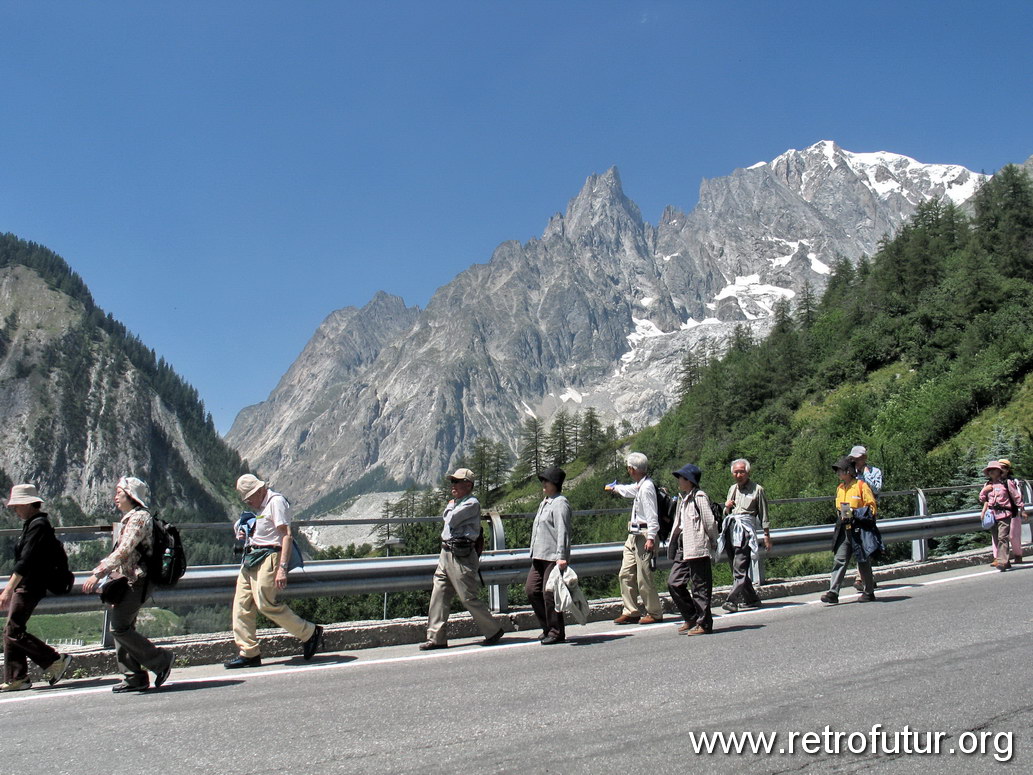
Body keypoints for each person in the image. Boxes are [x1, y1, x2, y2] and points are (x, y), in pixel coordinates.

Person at [82, 477, 175, 692]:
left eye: (119, 493)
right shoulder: (130, 518)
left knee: (119, 626)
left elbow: (124, 550)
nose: (115, 497)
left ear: (131, 496)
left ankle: (161, 660)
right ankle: (133, 677)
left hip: (138, 580)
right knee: (122, 626)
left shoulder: (139, 518)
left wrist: (99, 572)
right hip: (128, 579)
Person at [225, 474, 322, 668]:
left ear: (259, 491)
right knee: (241, 605)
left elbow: (286, 536)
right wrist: (246, 530)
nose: (248, 502)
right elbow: (263, 527)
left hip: (270, 556)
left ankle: (309, 632)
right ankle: (249, 652)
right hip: (252, 556)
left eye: (249, 498)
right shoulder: (261, 506)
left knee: (265, 603)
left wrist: (282, 569)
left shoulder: (276, 502)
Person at [420, 468, 505, 650]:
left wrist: (450, 506)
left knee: (467, 597)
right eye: (452, 482)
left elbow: (451, 519)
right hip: (446, 553)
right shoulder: (460, 501)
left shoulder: (471, 503)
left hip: (461, 557)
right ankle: (436, 637)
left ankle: (493, 630)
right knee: (439, 593)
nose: (453, 485)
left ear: (468, 484)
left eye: (457, 482)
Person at [1, 485, 73, 692]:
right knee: (12, 630)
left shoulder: (38, 525)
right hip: (27, 584)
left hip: (31, 585)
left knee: (13, 630)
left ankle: (54, 660)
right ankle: (17, 677)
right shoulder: (32, 524)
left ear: (28, 504)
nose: (15, 510)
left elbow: (25, 561)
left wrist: (7, 590)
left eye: (17, 506)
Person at [605, 452, 664, 625]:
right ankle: (631, 610)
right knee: (625, 573)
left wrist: (651, 538)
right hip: (634, 536)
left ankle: (654, 612)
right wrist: (615, 488)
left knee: (643, 577)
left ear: (632, 469)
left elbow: (652, 515)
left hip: (645, 536)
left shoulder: (646, 488)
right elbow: (629, 490)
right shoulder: (641, 485)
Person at [667, 464, 718, 635]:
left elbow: (709, 522)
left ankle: (704, 624)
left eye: (681, 478)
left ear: (688, 480)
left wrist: (713, 541)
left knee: (700, 587)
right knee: (674, 582)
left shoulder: (699, 497)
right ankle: (691, 617)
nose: (678, 481)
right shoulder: (683, 498)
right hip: (683, 547)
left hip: (697, 546)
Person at [821, 458, 878, 605]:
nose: (838, 473)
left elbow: (872, 507)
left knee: (863, 560)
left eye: (840, 470)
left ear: (848, 471)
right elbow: (839, 508)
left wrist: (856, 513)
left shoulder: (861, 486)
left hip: (859, 529)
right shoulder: (840, 488)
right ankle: (833, 592)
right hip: (844, 528)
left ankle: (869, 591)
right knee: (839, 559)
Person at [525, 467, 572, 645]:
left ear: (555, 484)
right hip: (539, 555)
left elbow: (563, 531)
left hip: (552, 556)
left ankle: (556, 631)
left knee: (549, 594)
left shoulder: (560, 503)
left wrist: (562, 556)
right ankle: (546, 627)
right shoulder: (546, 501)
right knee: (531, 590)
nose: (543, 484)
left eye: (546, 481)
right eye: (542, 480)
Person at [719, 459, 771, 612]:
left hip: (745, 532)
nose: (738, 474)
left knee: (740, 566)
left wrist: (766, 535)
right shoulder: (732, 489)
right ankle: (752, 599)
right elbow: (727, 512)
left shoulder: (757, 490)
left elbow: (764, 514)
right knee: (735, 567)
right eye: (736, 472)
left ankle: (732, 600)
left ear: (748, 472)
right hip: (731, 529)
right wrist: (726, 507)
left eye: (741, 471)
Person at [979, 461, 1022, 572]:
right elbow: (982, 499)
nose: (992, 471)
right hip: (992, 515)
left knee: (1002, 537)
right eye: (990, 470)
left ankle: (1002, 561)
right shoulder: (988, 485)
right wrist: (984, 490)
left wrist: (1022, 509)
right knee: (997, 538)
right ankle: (1005, 561)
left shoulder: (1006, 483)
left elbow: (1016, 496)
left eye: (994, 469)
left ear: (999, 471)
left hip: (1004, 514)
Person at [996, 459, 1025, 565]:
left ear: (1008, 470)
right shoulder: (994, 482)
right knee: (1000, 537)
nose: (1002, 470)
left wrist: (1022, 509)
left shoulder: (1012, 481)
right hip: (998, 513)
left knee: (1013, 536)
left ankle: (1018, 555)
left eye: (1004, 467)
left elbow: (1018, 496)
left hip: (1013, 512)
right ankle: (1001, 559)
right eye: (1000, 467)